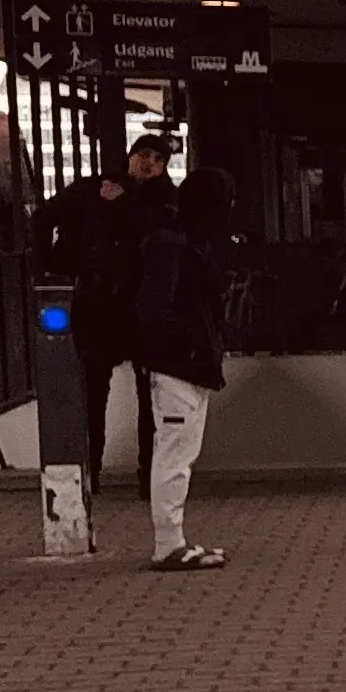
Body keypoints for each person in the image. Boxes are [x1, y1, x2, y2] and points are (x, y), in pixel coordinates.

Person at [41, 131, 174, 497]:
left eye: (157, 158)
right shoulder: (94, 190)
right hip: (107, 305)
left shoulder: (160, 201)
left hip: (136, 306)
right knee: (99, 392)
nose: (148, 162)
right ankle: (93, 470)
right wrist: (49, 268)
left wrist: (120, 204)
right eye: (143, 154)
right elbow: (44, 216)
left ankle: (144, 473)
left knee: (144, 395)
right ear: (130, 156)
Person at [131, 170, 234, 572]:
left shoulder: (177, 242)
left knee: (177, 452)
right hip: (179, 366)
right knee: (175, 454)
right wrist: (187, 345)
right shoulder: (176, 246)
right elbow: (155, 309)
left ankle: (173, 540)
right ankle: (168, 543)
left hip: (183, 365)